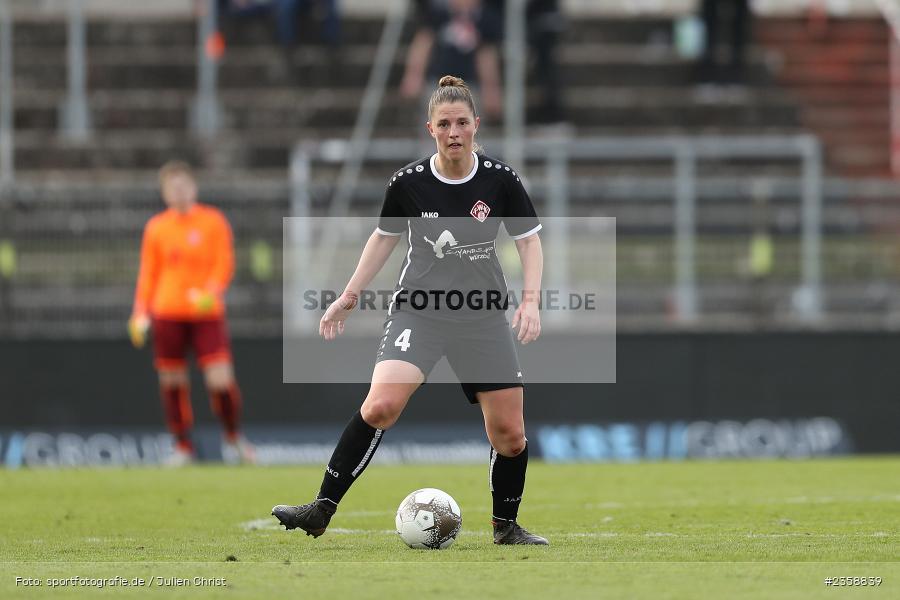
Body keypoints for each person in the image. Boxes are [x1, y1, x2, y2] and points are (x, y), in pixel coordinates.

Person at [272, 75, 548, 545]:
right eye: (444, 124)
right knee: (380, 405)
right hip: (419, 311)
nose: (454, 132)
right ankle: (321, 508)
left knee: (510, 435)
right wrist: (349, 295)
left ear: (476, 125)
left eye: (462, 122)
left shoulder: (501, 179)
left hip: (481, 316)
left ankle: (505, 527)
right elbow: (384, 238)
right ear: (430, 129)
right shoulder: (408, 183)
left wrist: (531, 301)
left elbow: (529, 242)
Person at [129, 161, 255, 466]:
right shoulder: (157, 227)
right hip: (167, 312)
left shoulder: (213, 221)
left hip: (206, 313)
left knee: (220, 380)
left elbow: (224, 262)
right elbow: (148, 273)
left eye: (183, 186)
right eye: (173, 188)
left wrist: (211, 291)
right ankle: (183, 446)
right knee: (171, 380)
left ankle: (233, 437)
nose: (179, 192)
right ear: (164, 193)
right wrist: (140, 312)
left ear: (194, 187)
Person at [401, 0, 503, 122]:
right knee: (436, 123)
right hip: (437, 83)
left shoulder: (485, 18)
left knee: (467, 125)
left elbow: (486, 57)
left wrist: (490, 89)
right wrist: (413, 75)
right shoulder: (439, 13)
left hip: (470, 86)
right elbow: (423, 45)